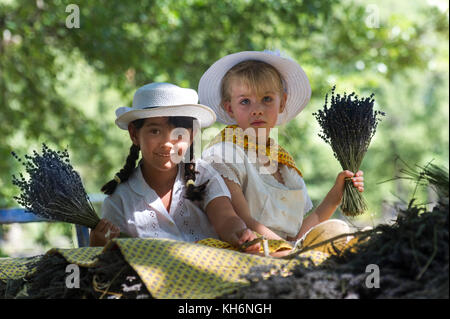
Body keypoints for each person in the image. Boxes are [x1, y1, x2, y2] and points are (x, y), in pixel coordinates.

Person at [199, 50, 364, 246]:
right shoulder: (224, 154)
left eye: (267, 99)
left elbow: (297, 238)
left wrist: (335, 196)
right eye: (245, 101)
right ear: (229, 108)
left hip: (283, 254)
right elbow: (245, 224)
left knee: (341, 233)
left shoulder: (285, 166)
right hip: (245, 251)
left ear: (282, 102)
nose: (257, 109)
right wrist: (292, 252)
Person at [89, 82, 259, 253]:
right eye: (155, 131)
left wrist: (240, 233)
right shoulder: (120, 200)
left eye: (178, 133)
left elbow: (226, 219)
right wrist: (98, 243)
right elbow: (108, 260)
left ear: (191, 135)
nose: (167, 143)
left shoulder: (204, 176)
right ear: (134, 134)